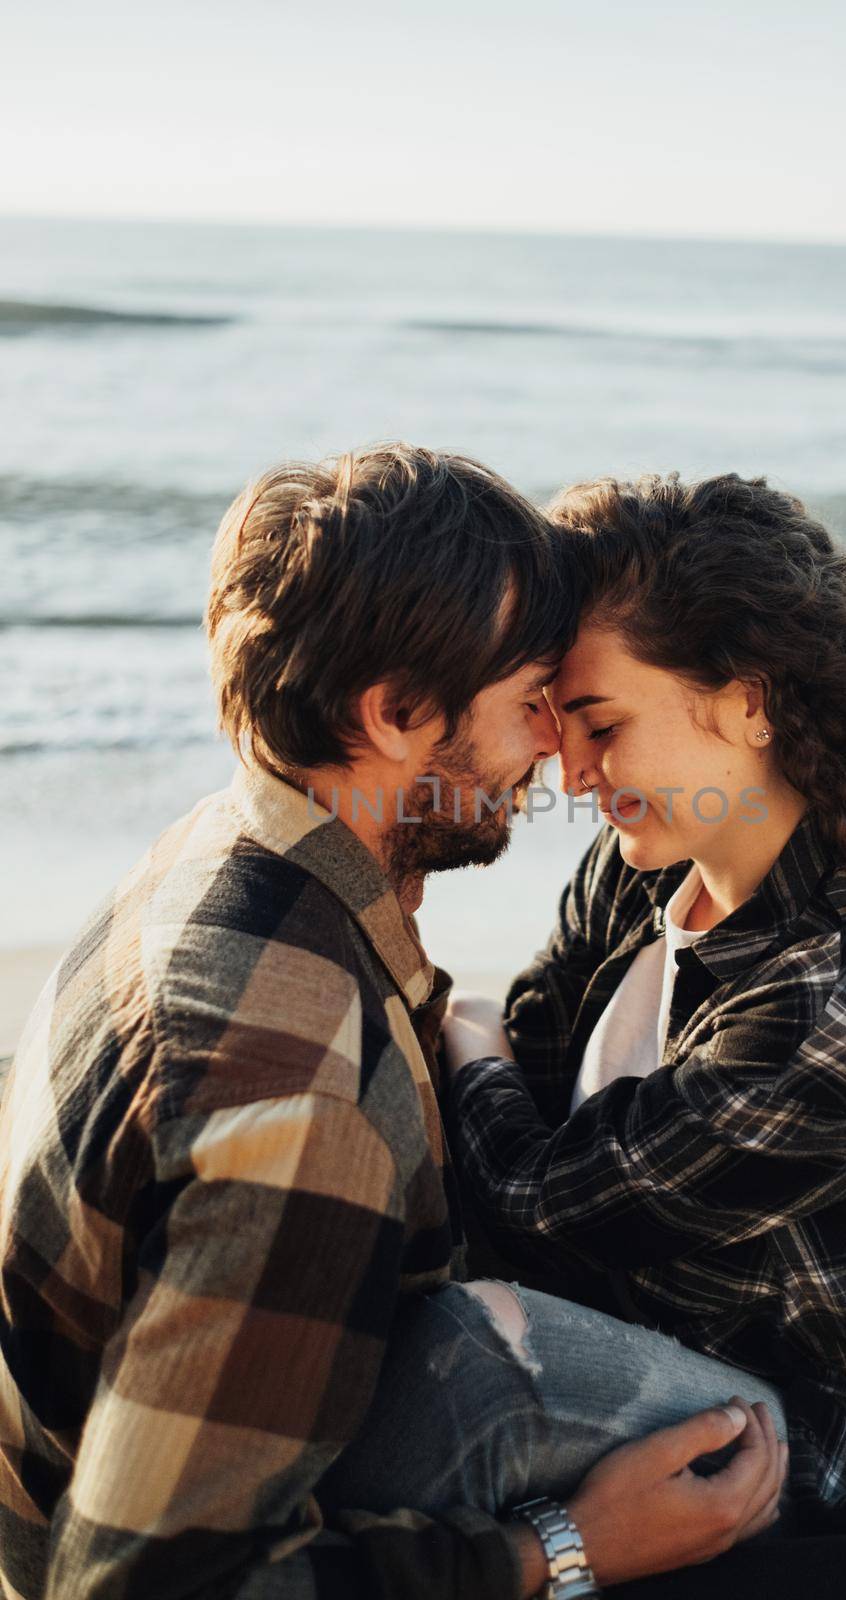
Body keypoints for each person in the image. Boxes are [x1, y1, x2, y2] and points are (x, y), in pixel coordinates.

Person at [0, 444, 789, 1600]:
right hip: (141, 1543)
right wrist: (561, 1551)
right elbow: (144, 1585)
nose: (557, 756)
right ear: (396, 712)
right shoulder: (298, 1094)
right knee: (764, 1453)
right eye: (530, 705)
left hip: (96, 1473)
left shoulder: (220, 856)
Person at [441, 471, 846, 1596]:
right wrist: (491, 1048)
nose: (570, 776)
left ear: (746, 702)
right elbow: (529, 1068)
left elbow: (529, 1198)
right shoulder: (643, 875)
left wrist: (462, 1031)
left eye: (603, 724)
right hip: (707, 1404)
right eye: (556, 720)